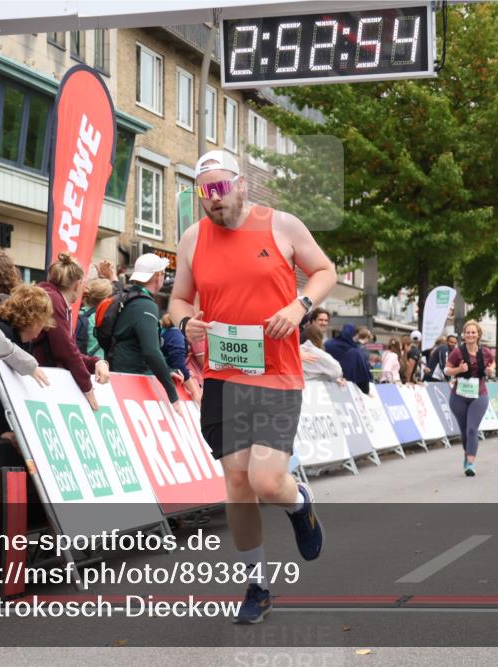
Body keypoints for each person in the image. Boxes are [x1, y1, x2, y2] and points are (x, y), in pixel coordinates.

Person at [168, 149, 336, 625]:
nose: (213, 200)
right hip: (223, 374)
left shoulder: (281, 225)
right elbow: (179, 300)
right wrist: (186, 326)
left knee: (267, 482)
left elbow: (326, 271)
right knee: (238, 484)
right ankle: (257, 586)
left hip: (277, 373)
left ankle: (300, 504)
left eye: (220, 189)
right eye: (204, 192)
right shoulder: (191, 239)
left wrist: (299, 305)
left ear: (241, 185)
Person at [32, 253, 110, 411]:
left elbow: (69, 350)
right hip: (34, 382)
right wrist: (87, 388)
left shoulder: (55, 299)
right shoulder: (54, 300)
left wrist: (97, 362)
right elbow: (66, 350)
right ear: (77, 284)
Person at [108, 253, 183, 414]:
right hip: (131, 381)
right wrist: (173, 395)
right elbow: (151, 352)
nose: (163, 277)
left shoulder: (128, 297)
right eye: (163, 273)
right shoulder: (145, 305)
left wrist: (167, 370)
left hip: (122, 375)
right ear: (157, 276)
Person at [0, 284, 57, 464]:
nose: (42, 329)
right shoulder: (2, 332)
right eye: (42, 322)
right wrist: (1, 430)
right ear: (34, 319)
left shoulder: (23, 340)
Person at [444, 320, 496, 477]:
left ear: (478, 335)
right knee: (464, 431)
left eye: (473, 332)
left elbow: (492, 365)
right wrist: (459, 369)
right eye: (468, 332)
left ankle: (471, 463)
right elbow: (446, 370)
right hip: (458, 396)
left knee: (472, 429)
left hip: (479, 395)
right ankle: (467, 454)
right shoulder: (457, 352)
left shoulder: (485, 352)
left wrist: (490, 371)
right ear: (464, 335)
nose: (470, 335)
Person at [161, 313, 202, 405]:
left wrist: (186, 371)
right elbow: (178, 365)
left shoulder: (171, 332)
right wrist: (195, 392)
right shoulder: (176, 335)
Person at [325, 323, 373, 394]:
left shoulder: (327, 344)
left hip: (326, 386)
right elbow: (363, 379)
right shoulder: (355, 352)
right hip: (349, 390)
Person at [74, 278, 115, 359]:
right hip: (98, 363)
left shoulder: (76, 313)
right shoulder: (104, 318)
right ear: (107, 299)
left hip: (79, 362)